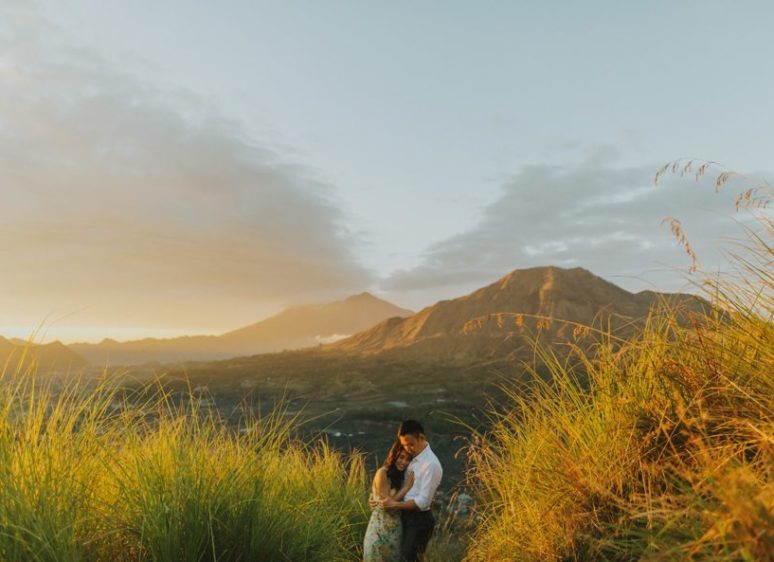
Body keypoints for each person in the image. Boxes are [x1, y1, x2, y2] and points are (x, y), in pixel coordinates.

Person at [380, 419, 443, 562]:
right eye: (404, 445)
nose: (407, 448)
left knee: (409, 559)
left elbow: (423, 502)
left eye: (410, 444)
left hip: (419, 521)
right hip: (404, 517)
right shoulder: (411, 459)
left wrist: (394, 505)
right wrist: (377, 499)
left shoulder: (431, 464)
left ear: (421, 437)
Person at [363, 441, 416, 562]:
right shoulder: (382, 473)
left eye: (408, 459)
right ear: (394, 455)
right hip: (379, 533)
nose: (404, 462)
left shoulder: (400, 476)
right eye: (401, 457)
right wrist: (406, 488)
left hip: (395, 534)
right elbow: (386, 505)